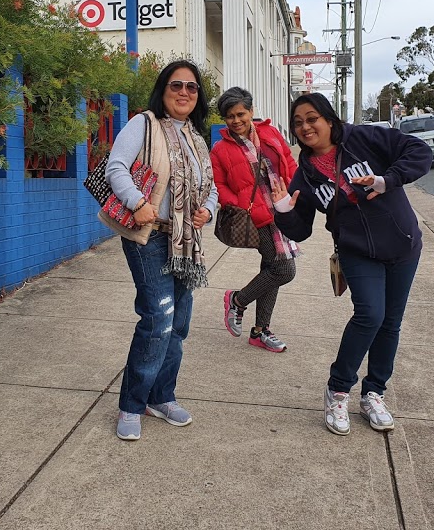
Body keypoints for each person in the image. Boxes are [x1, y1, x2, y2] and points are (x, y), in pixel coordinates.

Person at [272, 93, 432, 436]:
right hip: (355, 251)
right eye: (298, 122)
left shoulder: (364, 138)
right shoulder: (305, 175)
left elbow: (419, 151)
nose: (305, 127)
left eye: (312, 118)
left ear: (329, 120)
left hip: (403, 244)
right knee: (370, 315)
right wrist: (283, 211)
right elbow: (301, 229)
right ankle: (338, 389)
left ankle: (374, 393)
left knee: (390, 323)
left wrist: (387, 180)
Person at [102, 60, 218, 441]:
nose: (184, 92)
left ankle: (161, 396)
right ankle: (132, 405)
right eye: (176, 85)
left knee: (179, 325)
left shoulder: (198, 138)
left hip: (185, 241)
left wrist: (208, 209)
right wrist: (137, 202)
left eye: (192, 87)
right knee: (157, 320)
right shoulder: (144, 125)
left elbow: (211, 187)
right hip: (148, 235)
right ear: (163, 89)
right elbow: (115, 167)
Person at [210, 87, 299, 352]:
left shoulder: (271, 133)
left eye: (241, 114)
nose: (236, 120)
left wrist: (296, 194)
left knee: (270, 269)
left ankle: (261, 331)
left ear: (251, 111)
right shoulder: (220, 150)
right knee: (284, 270)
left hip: (281, 210)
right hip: (255, 217)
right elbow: (220, 185)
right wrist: (240, 207)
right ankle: (237, 300)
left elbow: (289, 163)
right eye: (229, 116)